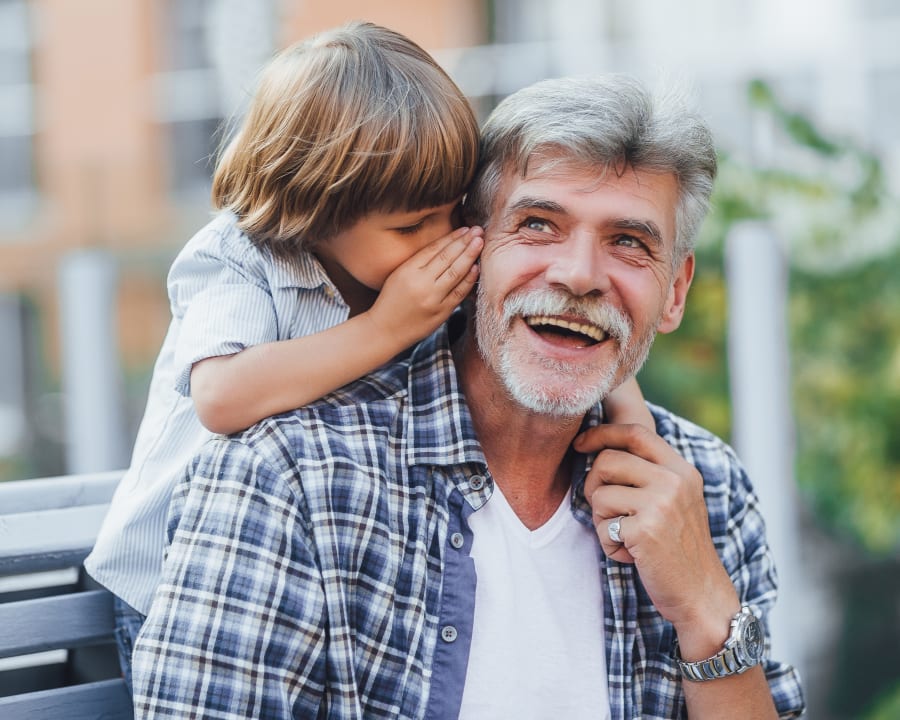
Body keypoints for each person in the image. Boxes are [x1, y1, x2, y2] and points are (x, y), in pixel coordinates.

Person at [132, 74, 805, 719]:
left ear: (675, 291)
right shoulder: (292, 474)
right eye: (539, 224)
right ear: (468, 248)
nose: (578, 275)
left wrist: (708, 613)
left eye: (628, 242)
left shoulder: (705, 489)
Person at [87, 22, 652, 691]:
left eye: (451, 212)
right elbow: (221, 397)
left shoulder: (409, 260)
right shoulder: (239, 260)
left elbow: (546, 329)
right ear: (315, 209)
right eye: (411, 226)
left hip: (317, 553)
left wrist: (630, 420)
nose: (440, 241)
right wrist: (387, 328)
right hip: (176, 574)